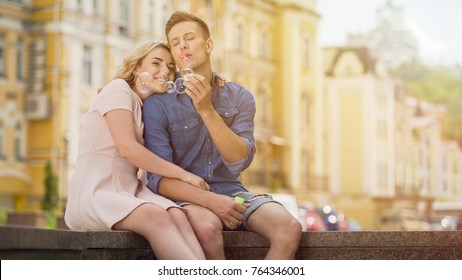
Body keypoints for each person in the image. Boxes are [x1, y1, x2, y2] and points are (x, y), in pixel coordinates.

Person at [142, 11, 302, 260]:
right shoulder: (158, 105)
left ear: (208, 46)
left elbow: (239, 159)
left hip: (233, 191)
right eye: (175, 42)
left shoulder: (240, 97)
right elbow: (159, 179)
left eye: (189, 37)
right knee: (207, 228)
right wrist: (209, 200)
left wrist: (206, 109)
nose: (182, 44)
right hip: (186, 197)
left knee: (289, 228)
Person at [64, 41, 206, 260]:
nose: (165, 71)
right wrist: (184, 175)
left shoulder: (144, 105)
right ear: (137, 68)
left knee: (177, 214)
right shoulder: (118, 89)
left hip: (127, 189)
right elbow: (128, 149)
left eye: (170, 67)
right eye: (156, 63)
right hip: (97, 192)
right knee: (155, 215)